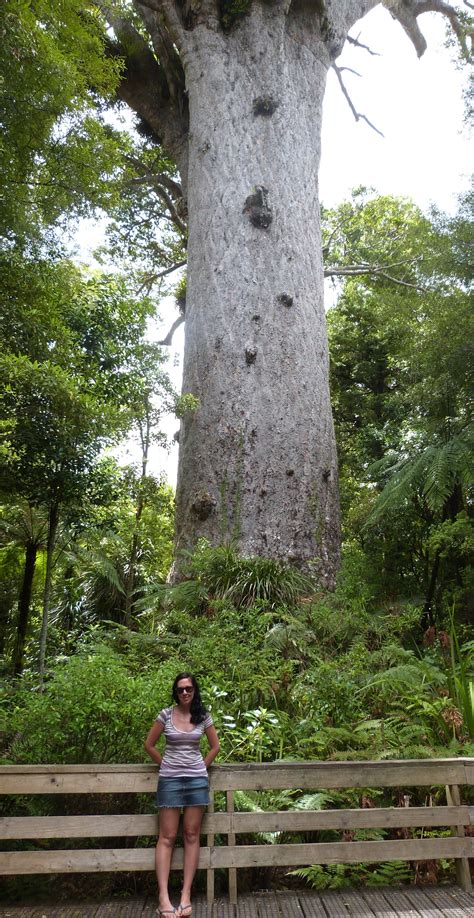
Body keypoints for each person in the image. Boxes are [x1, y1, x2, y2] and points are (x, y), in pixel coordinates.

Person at [145, 672, 220, 917]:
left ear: (195, 690)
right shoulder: (166, 715)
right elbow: (149, 744)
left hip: (197, 781)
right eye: (180, 689)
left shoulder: (203, 716)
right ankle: (163, 897)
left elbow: (215, 746)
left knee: (191, 835)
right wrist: (165, 763)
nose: (185, 692)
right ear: (175, 692)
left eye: (188, 688)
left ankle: (186, 896)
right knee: (167, 837)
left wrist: (202, 767)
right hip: (170, 781)